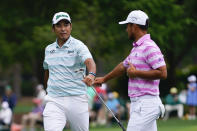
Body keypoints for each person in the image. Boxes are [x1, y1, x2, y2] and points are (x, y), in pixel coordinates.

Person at [94, 10, 167, 131]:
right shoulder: (136, 48)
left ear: (134, 26)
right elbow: (123, 66)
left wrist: (136, 73)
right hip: (138, 104)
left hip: (146, 104)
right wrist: (104, 79)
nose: (126, 29)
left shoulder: (149, 47)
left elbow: (163, 73)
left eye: (128, 26)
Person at [43, 12, 96, 131]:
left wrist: (91, 74)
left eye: (66, 25)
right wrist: (47, 90)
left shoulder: (79, 46)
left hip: (77, 98)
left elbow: (90, 62)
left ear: (71, 27)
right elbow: (47, 70)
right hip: (54, 100)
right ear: (53, 29)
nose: (63, 29)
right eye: (59, 25)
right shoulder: (48, 49)